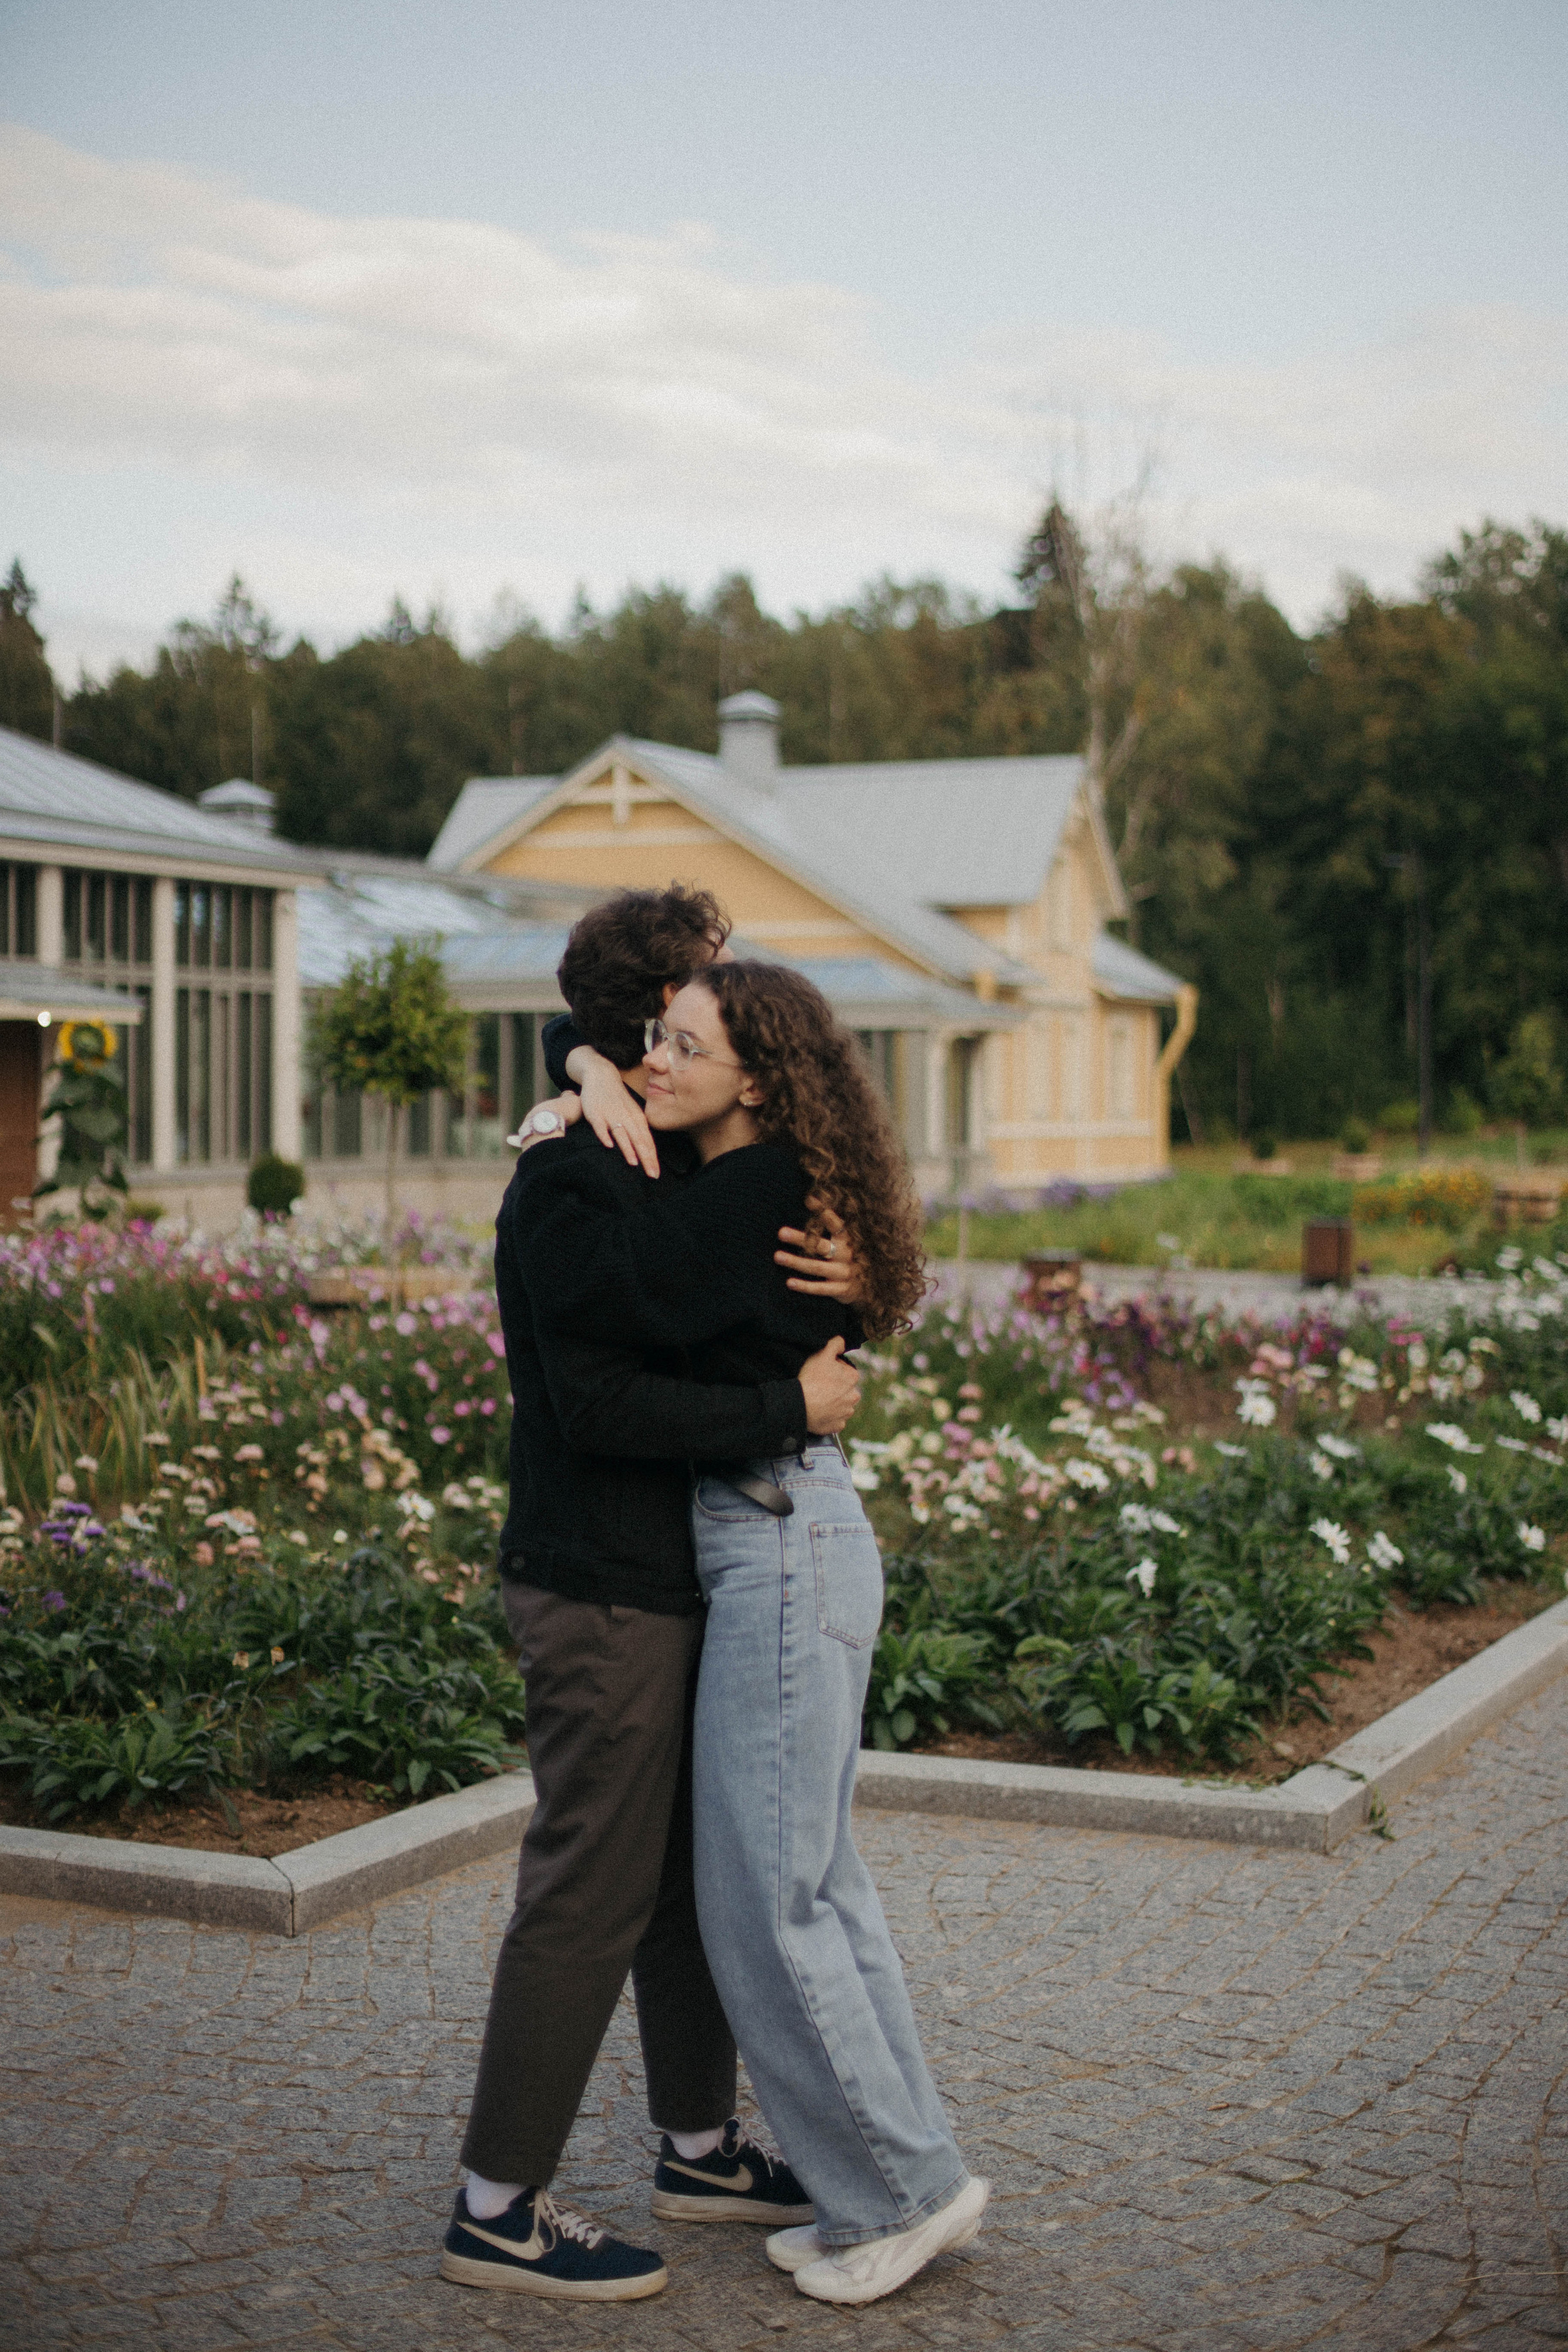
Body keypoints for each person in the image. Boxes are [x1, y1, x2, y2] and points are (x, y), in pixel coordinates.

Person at [518, 960, 987, 2308]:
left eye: (681, 1045)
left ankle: (896, 2197)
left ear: (761, 1081)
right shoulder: (764, 1179)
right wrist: (587, 1065)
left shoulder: (748, 1194)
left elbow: (610, 1283)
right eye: (649, 1036)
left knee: (765, 1903)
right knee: (817, 1889)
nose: (653, 1059)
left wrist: (570, 1109)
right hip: (785, 1534)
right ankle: (907, 2178)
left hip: (778, 1537)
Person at [441, 888, 865, 2305]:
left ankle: (698, 2145)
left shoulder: (660, 1147)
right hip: (598, 1591)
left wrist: (852, 1299)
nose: (728, 1003)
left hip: (674, 1579)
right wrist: (784, 1405)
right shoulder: (570, 1174)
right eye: (704, 988)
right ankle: (497, 2207)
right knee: (589, 1889)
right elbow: (600, 1404)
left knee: (686, 1883)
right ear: (652, 1025)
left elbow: (740, 1287)